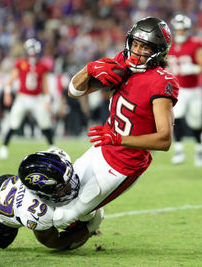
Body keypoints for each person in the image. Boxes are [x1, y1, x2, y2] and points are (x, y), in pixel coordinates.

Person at [52, 16, 179, 229]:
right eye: (135, 44)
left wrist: (118, 138)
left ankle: (90, 220)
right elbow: (74, 91)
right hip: (102, 148)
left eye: (145, 48)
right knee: (59, 197)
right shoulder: (122, 62)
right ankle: (89, 214)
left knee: (61, 220)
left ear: (158, 52)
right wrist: (89, 68)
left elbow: (164, 140)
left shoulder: (161, 83)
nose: (137, 52)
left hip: (123, 165)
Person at [0, 149, 103, 250]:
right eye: (63, 186)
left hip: (10, 183)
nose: (72, 184)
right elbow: (52, 242)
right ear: (44, 193)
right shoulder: (36, 212)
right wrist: (86, 232)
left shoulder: (57, 156)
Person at [167, 14, 202, 167]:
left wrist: (194, 68)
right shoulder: (168, 46)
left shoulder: (195, 44)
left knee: (196, 122)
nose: (180, 33)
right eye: (178, 30)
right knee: (177, 118)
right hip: (177, 90)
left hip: (194, 90)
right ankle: (179, 149)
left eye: (182, 30)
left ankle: (200, 149)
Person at [0, 38, 54, 159]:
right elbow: (11, 79)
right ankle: (4, 147)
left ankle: (52, 147)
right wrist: (7, 93)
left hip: (37, 98)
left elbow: (45, 84)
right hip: (22, 97)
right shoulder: (21, 63)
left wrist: (47, 100)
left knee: (45, 122)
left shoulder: (42, 66)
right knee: (14, 123)